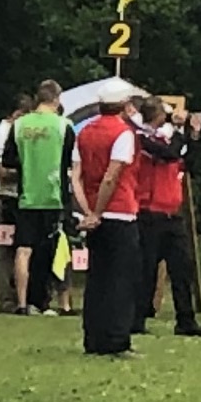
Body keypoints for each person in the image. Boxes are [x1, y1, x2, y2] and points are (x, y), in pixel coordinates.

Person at [70, 85, 144, 358]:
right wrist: (98, 212)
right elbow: (111, 177)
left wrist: (87, 210)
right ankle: (116, 339)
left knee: (97, 278)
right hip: (119, 211)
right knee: (121, 279)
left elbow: (75, 176)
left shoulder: (85, 131)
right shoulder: (123, 133)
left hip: (92, 212)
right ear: (124, 105)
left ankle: (93, 337)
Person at [129, 98, 201, 337]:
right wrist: (177, 129)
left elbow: (188, 162)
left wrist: (193, 136)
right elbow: (170, 153)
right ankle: (137, 319)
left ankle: (186, 319)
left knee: (182, 268)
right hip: (149, 212)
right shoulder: (142, 139)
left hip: (172, 212)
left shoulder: (166, 138)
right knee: (146, 270)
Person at [1, 82, 70, 314]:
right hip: (53, 195)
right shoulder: (63, 125)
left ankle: (22, 303)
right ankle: (43, 301)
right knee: (50, 250)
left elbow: (8, 160)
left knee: (23, 249)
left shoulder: (20, 124)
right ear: (56, 99)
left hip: (26, 195)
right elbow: (70, 161)